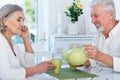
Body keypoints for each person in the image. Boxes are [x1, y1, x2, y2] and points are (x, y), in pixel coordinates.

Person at [0, 4, 55, 80]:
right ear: (4, 21)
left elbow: (28, 64)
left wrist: (26, 38)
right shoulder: (1, 42)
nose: (22, 24)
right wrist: (37, 69)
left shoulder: (12, 43)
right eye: (18, 20)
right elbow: (5, 75)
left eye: (23, 20)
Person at [83, 0, 120, 72]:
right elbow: (95, 60)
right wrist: (83, 62)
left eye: (96, 16)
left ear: (110, 15)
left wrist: (100, 56)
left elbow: (98, 57)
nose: (92, 21)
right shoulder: (99, 32)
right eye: (92, 17)